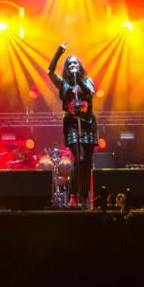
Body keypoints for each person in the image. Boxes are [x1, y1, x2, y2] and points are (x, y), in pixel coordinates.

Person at [47, 42, 96, 208]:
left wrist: (78, 81)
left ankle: (84, 197)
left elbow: (90, 92)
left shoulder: (87, 81)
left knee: (87, 161)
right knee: (79, 157)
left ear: (79, 66)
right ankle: (73, 196)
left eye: (75, 63)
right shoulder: (62, 83)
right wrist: (58, 52)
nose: (73, 65)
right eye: (70, 64)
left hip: (88, 123)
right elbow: (49, 72)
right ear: (67, 68)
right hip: (72, 123)